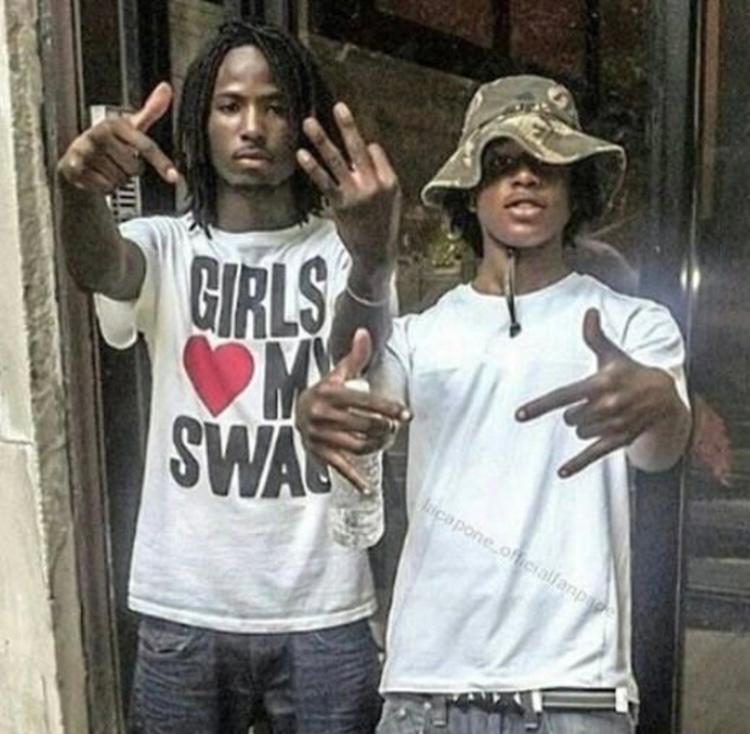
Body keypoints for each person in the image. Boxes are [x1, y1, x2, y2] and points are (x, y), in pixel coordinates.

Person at [296, 75, 692, 733]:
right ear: (470, 192)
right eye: (502, 163)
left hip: (575, 695)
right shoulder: (421, 338)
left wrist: (659, 405)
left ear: (576, 188)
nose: (525, 178)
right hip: (428, 695)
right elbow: (357, 391)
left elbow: (661, 451)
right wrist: (368, 265)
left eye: (549, 162)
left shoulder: (634, 325)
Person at [56, 20, 403, 734]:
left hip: (322, 608)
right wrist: (78, 194)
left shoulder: (341, 249)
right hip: (185, 607)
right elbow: (102, 267)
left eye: (275, 107)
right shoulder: (165, 246)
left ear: (302, 123)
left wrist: (373, 259)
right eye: (230, 105)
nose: (252, 126)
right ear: (201, 123)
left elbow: (358, 351)